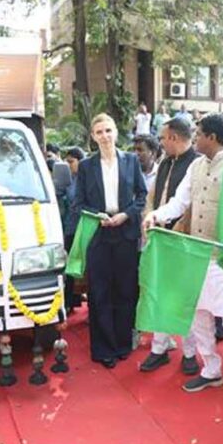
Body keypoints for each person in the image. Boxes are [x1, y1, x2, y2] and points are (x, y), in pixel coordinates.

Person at [143, 113, 223, 404]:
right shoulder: (196, 165)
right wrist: (156, 215)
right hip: (196, 255)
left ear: (212, 137)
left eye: (198, 135)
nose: (194, 139)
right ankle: (210, 370)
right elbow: (180, 202)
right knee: (199, 315)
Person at [74, 113, 147, 369]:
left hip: (126, 232)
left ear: (116, 132)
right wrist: (98, 216)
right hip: (99, 233)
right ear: (93, 137)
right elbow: (78, 203)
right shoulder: (86, 166)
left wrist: (126, 215)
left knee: (126, 290)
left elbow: (142, 195)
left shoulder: (131, 160)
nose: (105, 136)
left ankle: (123, 343)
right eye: (99, 132)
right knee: (100, 292)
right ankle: (104, 348)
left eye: (108, 130)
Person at [139, 116, 201, 374]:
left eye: (163, 138)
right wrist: (149, 219)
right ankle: (159, 349)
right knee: (160, 294)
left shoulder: (197, 163)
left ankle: (189, 353)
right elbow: (153, 197)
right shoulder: (166, 161)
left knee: (186, 299)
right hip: (160, 238)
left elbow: (193, 204)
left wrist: (177, 229)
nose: (161, 142)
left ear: (174, 137)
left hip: (184, 241)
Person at [62, 148, 85, 313]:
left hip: (83, 228)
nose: (68, 165)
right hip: (70, 228)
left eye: (71, 162)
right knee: (70, 267)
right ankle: (70, 301)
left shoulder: (86, 179)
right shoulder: (68, 180)